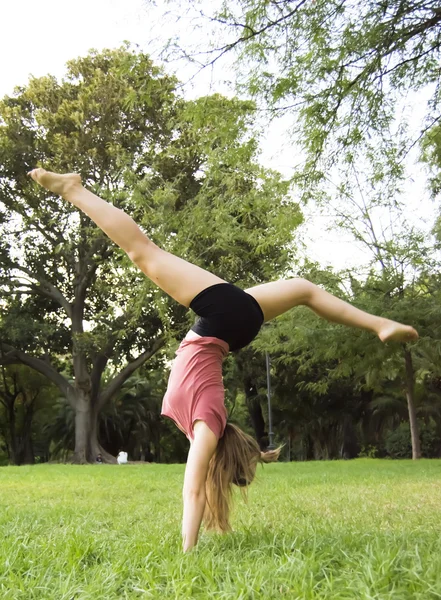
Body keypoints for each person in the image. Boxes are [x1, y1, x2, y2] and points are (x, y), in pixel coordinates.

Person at [28, 168, 418, 551]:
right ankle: (73, 190)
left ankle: (379, 324)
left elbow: (200, 486)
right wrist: (188, 550)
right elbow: (193, 490)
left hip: (233, 328)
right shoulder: (207, 427)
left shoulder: (205, 426)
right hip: (222, 321)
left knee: (304, 290)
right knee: (143, 251)